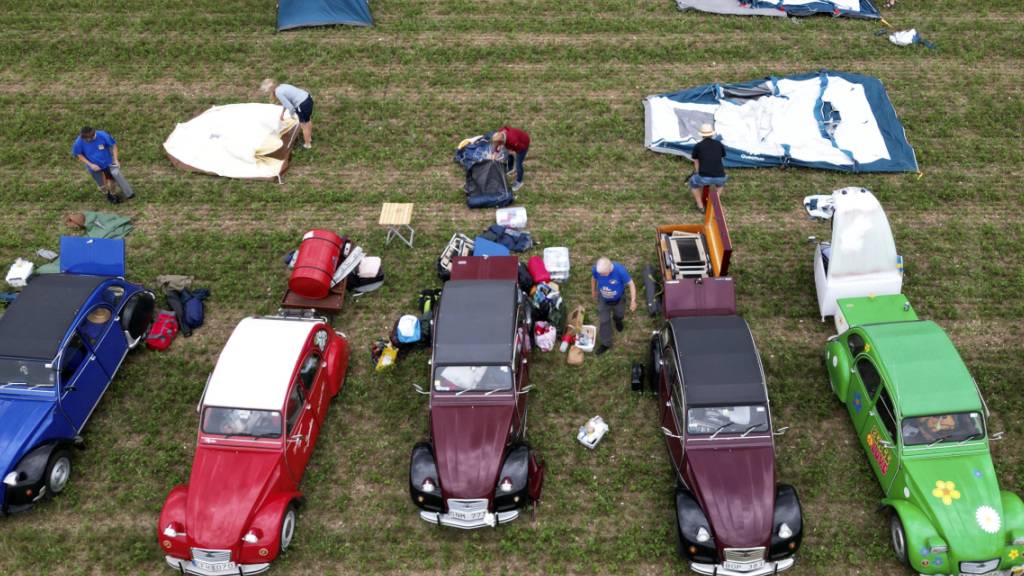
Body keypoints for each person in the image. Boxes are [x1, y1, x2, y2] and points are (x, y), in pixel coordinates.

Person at [71, 126, 135, 203]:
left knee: (112, 179)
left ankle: (113, 194)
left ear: (93, 135)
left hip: (107, 163)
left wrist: (116, 160)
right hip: (94, 166)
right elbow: (79, 154)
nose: (86, 141)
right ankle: (107, 194)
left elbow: (114, 145)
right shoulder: (79, 141)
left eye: (88, 139)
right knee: (101, 183)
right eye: (84, 139)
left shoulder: (103, 135)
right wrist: (91, 165)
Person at [590, 257, 637, 355]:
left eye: (603, 274)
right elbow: (594, 278)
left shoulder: (620, 271)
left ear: (610, 269)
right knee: (604, 321)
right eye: (600, 274)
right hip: (603, 299)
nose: (601, 276)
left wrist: (633, 301)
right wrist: (593, 290)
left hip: (619, 299)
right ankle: (606, 343)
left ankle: (617, 320)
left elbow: (631, 284)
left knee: (619, 314)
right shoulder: (597, 269)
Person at [261, 78, 314, 149]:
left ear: (270, 89)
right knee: (308, 120)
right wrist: (282, 113)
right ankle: (309, 138)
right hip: (308, 98)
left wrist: (292, 115)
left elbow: (290, 106)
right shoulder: (282, 86)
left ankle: (307, 144)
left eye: (267, 91)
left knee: (303, 125)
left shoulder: (278, 92)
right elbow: (286, 103)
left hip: (302, 104)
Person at [689, 123, 727, 212]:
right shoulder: (719, 144)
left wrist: (697, 172)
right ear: (712, 134)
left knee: (693, 183)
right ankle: (713, 203)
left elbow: (696, 161)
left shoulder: (698, 146)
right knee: (720, 184)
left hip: (704, 177)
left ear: (702, 135)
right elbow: (722, 160)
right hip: (720, 176)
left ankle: (700, 206)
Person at [489, 126, 530, 192]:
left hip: (523, 144)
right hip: (512, 141)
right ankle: (510, 168)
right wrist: (494, 152)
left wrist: (513, 151)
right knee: (508, 155)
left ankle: (519, 182)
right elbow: (506, 127)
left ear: (502, 142)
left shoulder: (513, 141)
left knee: (518, 164)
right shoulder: (501, 132)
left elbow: (521, 148)